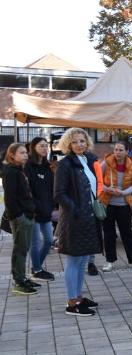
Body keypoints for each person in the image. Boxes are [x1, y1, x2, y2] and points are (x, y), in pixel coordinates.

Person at [54, 128, 103, 316]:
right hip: (74, 219)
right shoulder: (65, 164)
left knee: (82, 260)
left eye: (82, 141)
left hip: (88, 218)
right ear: (68, 144)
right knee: (74, 260)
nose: (79, 144)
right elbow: (59, 193)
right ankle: (72, 302)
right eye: (75, 142)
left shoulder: (88, 160)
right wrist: (76, 210)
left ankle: (78, 296)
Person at [100, 141, 132, 272]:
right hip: (108, 203)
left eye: (120, 150)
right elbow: (98, 182)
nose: (117, 153)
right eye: (116, 150)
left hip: (124, 203)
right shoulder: (105, 163)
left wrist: (123, 192)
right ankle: (109, 261)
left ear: (127, 151)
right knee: (109, 233)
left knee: (127, 233)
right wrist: (107, 189)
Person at [4, 143, 38, 295]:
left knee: (24, 249)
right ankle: (18, 282)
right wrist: (19, 216)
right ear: (12, 155)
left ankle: (22, 278)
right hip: (20, 217)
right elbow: (10, 198)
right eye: (22, 153)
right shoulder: (11, 172)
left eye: (26, 152)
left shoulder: (20, 170)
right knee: (20, 249)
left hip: (27, 215)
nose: (26, 155)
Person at [26, 137, 56, 281]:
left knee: (49, 240)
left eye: (46, 146)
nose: (45, 148)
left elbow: (51, 189)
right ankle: (37, 269)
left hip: (46, 210)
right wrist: (33, 206)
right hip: (33, 211)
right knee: (35, 242)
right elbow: (27, 190)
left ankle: (36, 267)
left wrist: (52, 206)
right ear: (33, 148)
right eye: (41, 146)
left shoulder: (48, 167)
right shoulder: (28, 166)